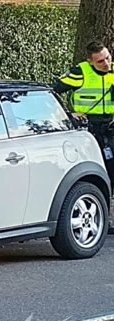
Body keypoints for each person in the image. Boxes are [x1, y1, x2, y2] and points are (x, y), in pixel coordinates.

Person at [54, 41, 114, 233]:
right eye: (100, 61)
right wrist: (68, 114)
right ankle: (101, 218)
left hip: (111, 127)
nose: (106, 63)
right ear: (90, 61)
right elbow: (52, 92)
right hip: (88, 130)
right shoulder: (80, 72)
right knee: (95, 173)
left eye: (108, 58)